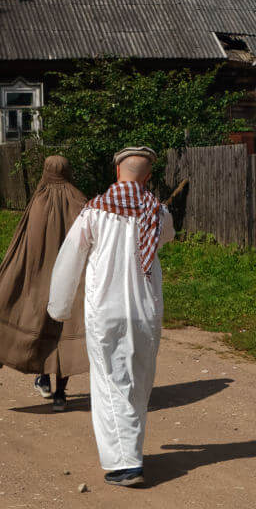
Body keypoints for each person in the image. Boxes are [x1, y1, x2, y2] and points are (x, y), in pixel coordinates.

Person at [46, 146, 175, 487]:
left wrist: (58, 308)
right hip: (146, 310)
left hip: (105, 309)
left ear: (117, 172)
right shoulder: (158, 213)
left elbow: (70, 258)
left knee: (110, 382)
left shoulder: (94, 212)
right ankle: (129, 454)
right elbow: (165, 239)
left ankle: (126, 463)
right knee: (139, 381)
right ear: (147, 178)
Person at [0, 154, 88, 409]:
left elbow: (24, 244)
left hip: (39, 279)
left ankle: (42, 378)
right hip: (72, 281)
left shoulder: (38, 201)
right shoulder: (80, 201)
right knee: (64, 330)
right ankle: (61, 395)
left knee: (41, 325)